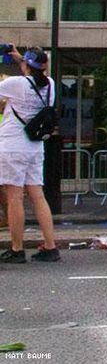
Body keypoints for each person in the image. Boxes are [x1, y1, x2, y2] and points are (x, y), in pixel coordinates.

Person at [0, 47, 60, 263]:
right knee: (38, 196)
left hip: (13, 145)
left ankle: (17, 249)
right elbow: (34, 76)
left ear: (27, 65)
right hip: (35, 147)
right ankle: (51, 246)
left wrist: (19, 62)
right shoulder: (50, 85)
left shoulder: (15, 84)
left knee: (14, 198)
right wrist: (21, 60)